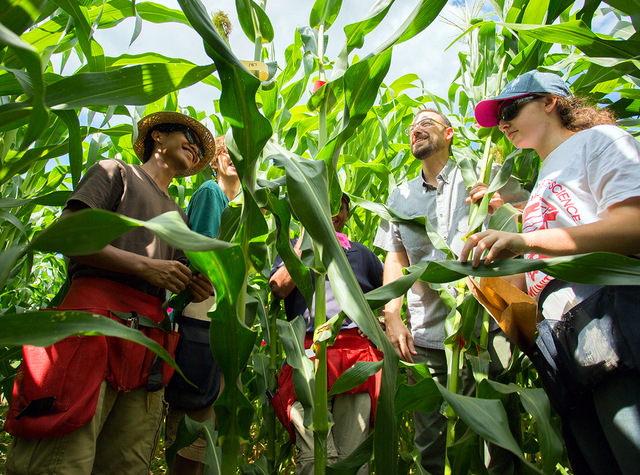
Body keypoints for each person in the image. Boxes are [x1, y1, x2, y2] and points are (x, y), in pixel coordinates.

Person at [5, 111, 215, 475]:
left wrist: (195, 287)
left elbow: (176, 281)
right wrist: (144, 265)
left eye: (199, 146)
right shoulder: (116, 173)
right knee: (61, 460)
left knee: (126, 465)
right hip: (92, 330)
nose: (195, 148)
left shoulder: (178, 217)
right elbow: (66, 235)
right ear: (158, 138)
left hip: (146, 348)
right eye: (188, 136)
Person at [461, 69, 640, 475]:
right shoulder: (543, 180)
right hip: (562, 337)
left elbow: (634, 226)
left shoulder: (598, 141)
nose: (503, 122)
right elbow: (535, 274)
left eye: (510, 109)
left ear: (550, 102)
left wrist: (525, 242)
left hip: (609, 316)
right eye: (498, 116)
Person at [373, 108, 528, 475]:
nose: (416, 129)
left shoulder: (484, 175)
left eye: (426, 122)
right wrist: (392, 315)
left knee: (500, 445)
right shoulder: (400, 196)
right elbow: (395, 258)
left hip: (486, 332)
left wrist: (500, 207)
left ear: (450, 134)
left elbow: (530, 223)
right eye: (412, 127)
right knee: (430, 447)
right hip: (426, 337)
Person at [269, 193, 384, 475]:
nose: (331, 212)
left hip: (356, 359)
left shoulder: (363, 255)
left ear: (345, 214)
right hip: (307, 359)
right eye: (321, 204)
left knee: (352, 460)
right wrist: (306, 242)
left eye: (338, 206)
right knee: (312, 458)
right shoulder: (291, 250)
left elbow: (387, 299)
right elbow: (278, 287)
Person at [164, 135, 241, 475]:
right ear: (214, 161)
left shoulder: (239, 206)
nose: (234, 159)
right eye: (226, 153)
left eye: (241, 153)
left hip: (220, 323)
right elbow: (206, 264)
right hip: (204, 319)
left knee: (206, 429)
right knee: (196, 424)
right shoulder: (212, 194)